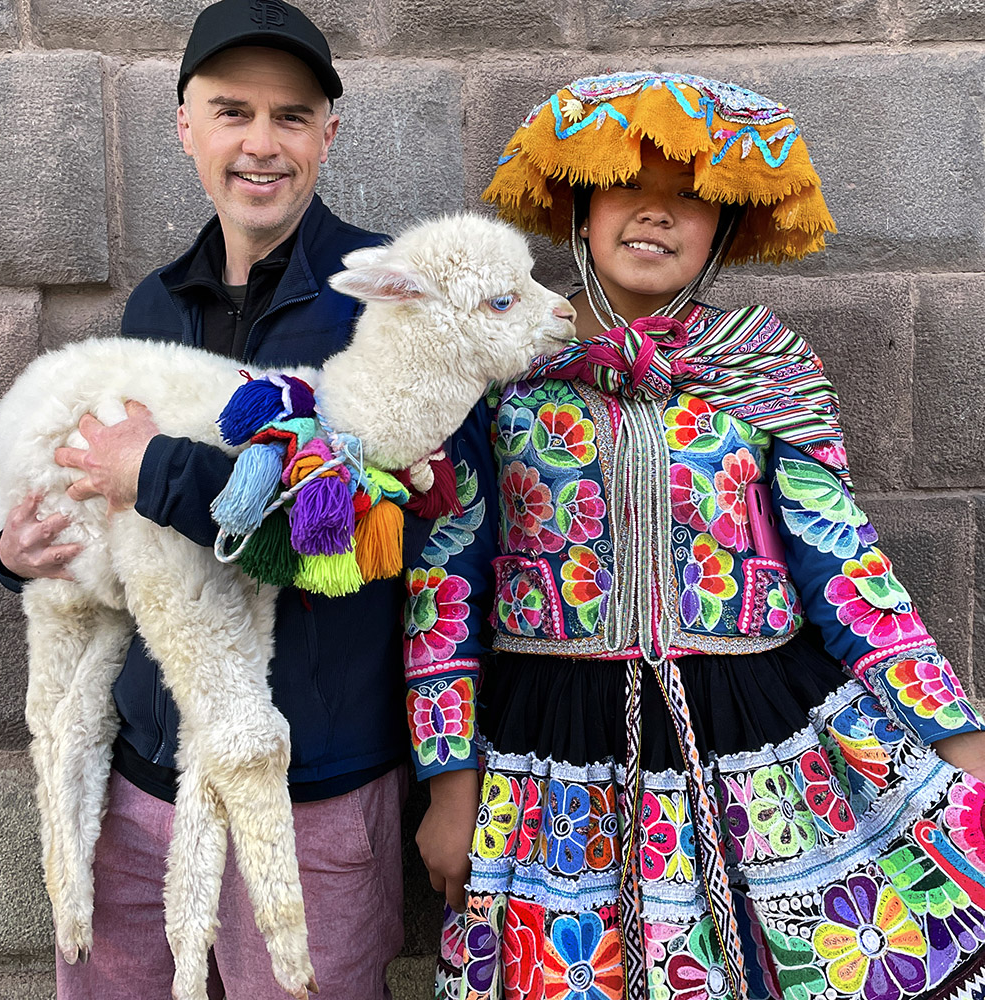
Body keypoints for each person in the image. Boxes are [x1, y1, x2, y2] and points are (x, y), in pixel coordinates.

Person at [404, 72, 985, 1000]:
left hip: (752, 737)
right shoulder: (502, 368)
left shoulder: (766, 366)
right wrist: (447, 784)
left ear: (724, 227)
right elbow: (445, 579)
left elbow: (846, 562)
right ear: (583, 210)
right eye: (627, 187)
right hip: (550, 746)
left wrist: (955, 737)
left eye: (691, 198)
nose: (656, 215)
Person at [0, 1, 420, 996]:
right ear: (185, 126)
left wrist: (161, 472)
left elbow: (380, 534)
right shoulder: (154, 306)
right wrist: (21, 553)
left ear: (327, 134)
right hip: (139, 780)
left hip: (308, 787)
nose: (260, 144)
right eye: (232, 111)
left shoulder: (384, 303)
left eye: (290, 115)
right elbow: (111, 524)